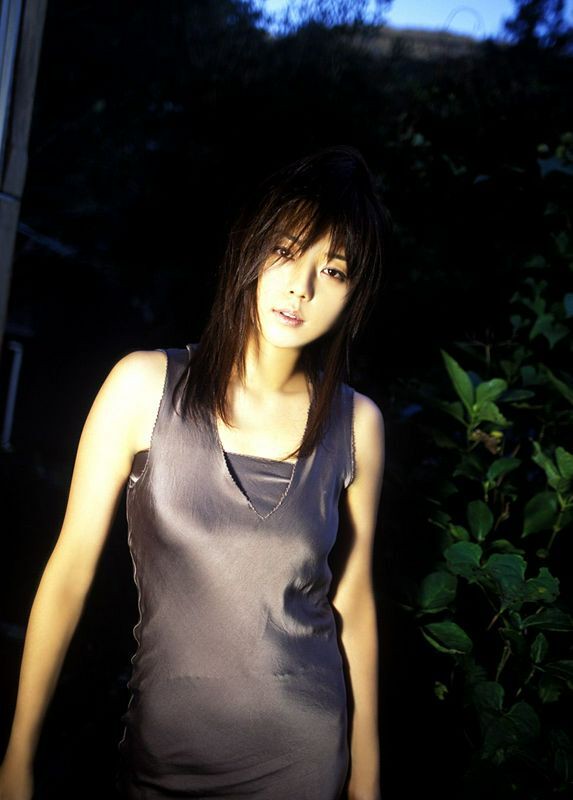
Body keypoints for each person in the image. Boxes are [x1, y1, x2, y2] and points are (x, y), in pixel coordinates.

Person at [0, 144, 392, 800]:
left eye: (332, 270)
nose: (300, 287)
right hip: (163, 757)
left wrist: (367, 776)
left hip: (303, 759)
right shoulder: (141, 387)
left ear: (353, 294)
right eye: (287, 251)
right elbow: (68, 572)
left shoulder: (358, 425)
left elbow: (352, 598)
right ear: (251, 250)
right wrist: (16, 753)